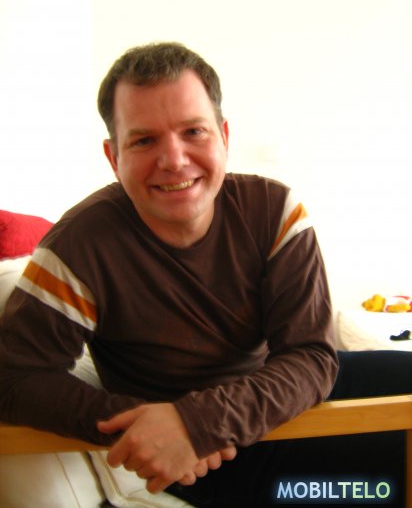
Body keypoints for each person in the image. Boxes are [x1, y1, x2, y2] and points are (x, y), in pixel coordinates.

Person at [0, 42, 411, 507]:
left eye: (193, 131)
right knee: (380, 483)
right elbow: (15, 379)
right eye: (144, 140)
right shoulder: (79, 246)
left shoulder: (276, 212)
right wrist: (149, 426)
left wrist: (198, 421)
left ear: (224, 136)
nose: (174, 160)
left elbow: (312, 357)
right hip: (211, 464)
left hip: (270, 393)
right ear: (114, 158)